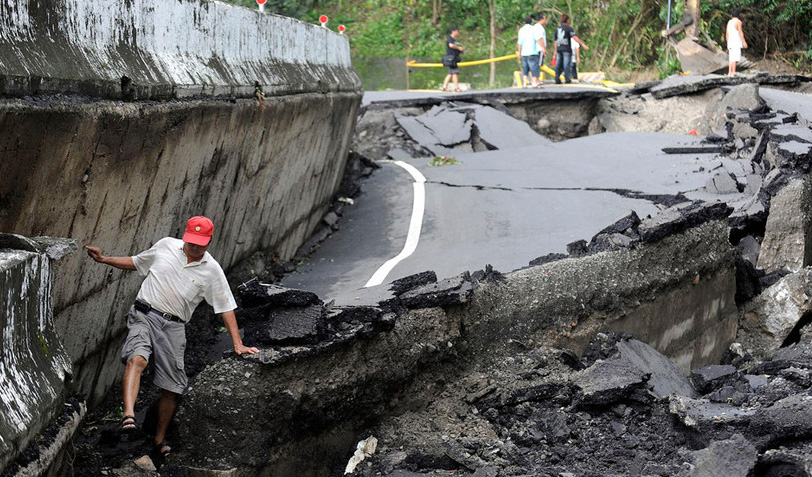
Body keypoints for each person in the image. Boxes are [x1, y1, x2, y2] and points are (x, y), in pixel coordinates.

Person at [85, 216, 259, 466]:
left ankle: (158, 440)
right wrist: (104, 259)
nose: (194, 247)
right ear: (185, 235)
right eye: (191, 242)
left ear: (209, 241)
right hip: (144, 314)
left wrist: (238, 344)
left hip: (175, 327)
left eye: (200, 244)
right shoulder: (166, 245)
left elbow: (225, 308)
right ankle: (128, 416)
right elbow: (136, 262)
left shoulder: (212, 270)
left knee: (173, 388)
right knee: (137, 358)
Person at [553, 14, 588, 84]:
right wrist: (582, 44)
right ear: (567, 21)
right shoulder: (569, 28)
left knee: (558, 64)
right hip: (566, 49)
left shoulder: (557, 29)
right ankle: (567, 79)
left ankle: (557, 78)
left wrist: (555, 50)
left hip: (559, 49)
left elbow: (555, 41)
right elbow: (574, 37)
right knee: (566, 64)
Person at [517, 16, 540, 88]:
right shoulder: (533, 29)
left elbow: (519, 43)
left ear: (524, 22)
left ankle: (524, 83)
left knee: (525, 68)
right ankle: (534, 83)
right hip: (532, 51)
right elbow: (537, 39)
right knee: (534, 68)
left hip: (524, 52)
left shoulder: (521, 30)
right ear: (531, 22)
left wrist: (519, 52)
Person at [441, 26, 464, 92]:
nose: (458, 32)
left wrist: (460, 51)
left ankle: (444, 86)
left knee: (450, 73)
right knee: (455, 72)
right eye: (457, 31)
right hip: (451, 59)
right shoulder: (450, 39)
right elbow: (451, 45)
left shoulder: (454, 40)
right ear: (453, 32)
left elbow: (453, 48)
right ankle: (456, 88)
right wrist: (458, 48)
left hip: (453, 58)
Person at [726, 9, 747, 76]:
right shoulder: (738, 22)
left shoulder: (729, 22)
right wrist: (744, 42)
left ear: (731, 15)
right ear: (738, 15)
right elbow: (740, 32)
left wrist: (728, 42)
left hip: (730, 42)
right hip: (736, 42)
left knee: (731, 58)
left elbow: (727, 33)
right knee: (735, 58)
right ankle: (733, 72)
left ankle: (730, 72)